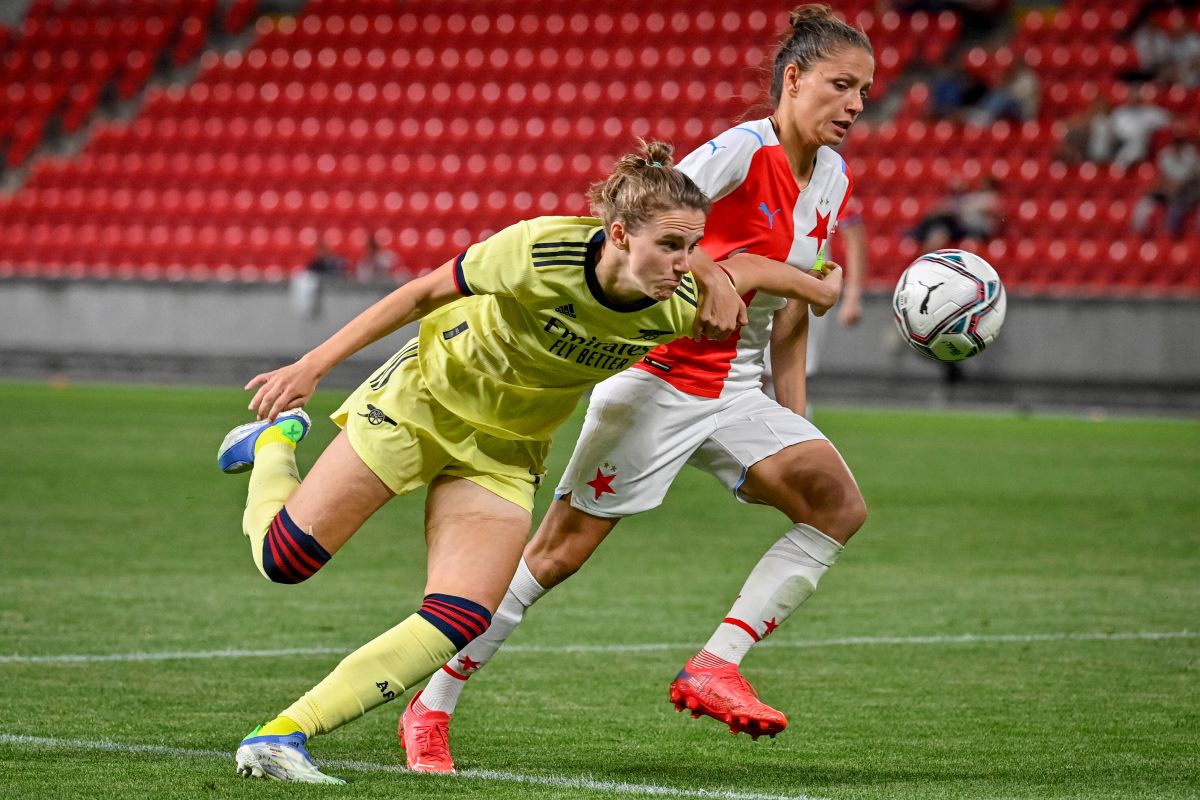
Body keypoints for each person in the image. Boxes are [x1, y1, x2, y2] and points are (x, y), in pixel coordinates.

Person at [216, 140, 844, 784]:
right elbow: (421, 293)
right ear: (620, 234)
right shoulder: (541, 250)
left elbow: (751, 272)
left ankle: (283, 735)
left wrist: (818, 287)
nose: (686, 264)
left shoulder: (684, 303)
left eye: (694, 248)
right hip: (420, 403)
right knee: (284, 561)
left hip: (505, 451)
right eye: (673, 247)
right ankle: (273, 442)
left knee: (461, 617)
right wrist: (312, 365)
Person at [401, 4, 872, 773]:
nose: (854, 105)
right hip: (660, 374)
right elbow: (654, 225)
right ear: (793, 79)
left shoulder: (833, 181)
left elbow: (792, 315)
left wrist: (794, 424)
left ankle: (716, 665)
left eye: (864, 92)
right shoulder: (736, 152)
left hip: (739, 387)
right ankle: (433, 703)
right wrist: (732, 274)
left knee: (836, 505)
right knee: (555, 556)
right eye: (840, 85)